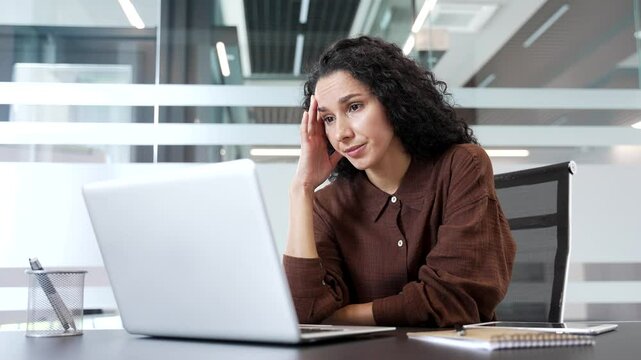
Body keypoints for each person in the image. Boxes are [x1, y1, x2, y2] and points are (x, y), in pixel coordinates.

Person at [283, 36, 515, 327]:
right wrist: (301, 189)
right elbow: (303, 313)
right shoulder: (328, 204)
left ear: (393, 100)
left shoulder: (461, 166)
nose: (341, 132)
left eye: (354, 107)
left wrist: (338, 315)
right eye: (328, 119)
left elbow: (450, 300)